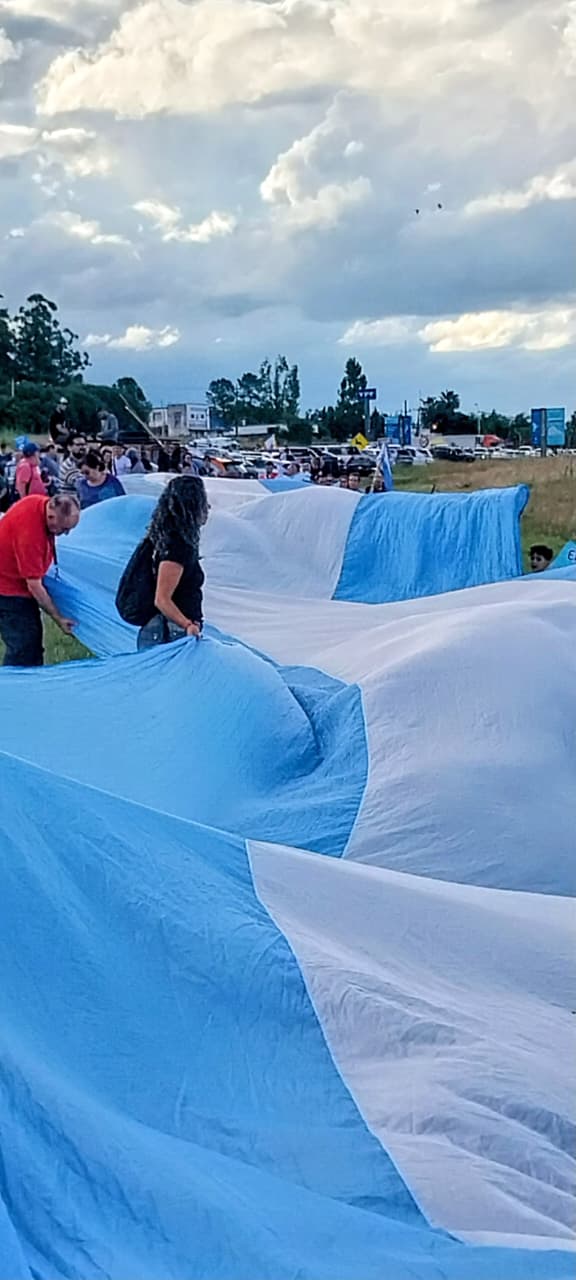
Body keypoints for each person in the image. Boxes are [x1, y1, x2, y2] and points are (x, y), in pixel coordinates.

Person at [121, 475, 208, 651]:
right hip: (170, 632)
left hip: (168, 629)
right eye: (203, 502)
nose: (208, 508)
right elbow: (162, 599)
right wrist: (187, 625)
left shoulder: (164, 540)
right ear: (192, 506)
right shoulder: (177, 546)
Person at [0, 492, 79, 666]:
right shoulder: (30, 534)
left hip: (13, 583)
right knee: (23, 649)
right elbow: (34, 585)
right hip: (7, 590)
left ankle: (32, 679)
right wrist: (58, 618)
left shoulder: (39, 503)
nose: (65, 534)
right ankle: (14, 682)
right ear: (51, 516)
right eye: (63, 529)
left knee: (32, 644)